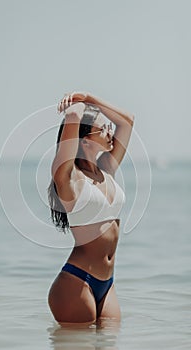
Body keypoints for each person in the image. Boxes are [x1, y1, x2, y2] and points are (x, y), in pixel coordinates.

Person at [47, 91, 134, 326]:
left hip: (107, 283)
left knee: (110, 341)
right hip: (76, 282)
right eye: (103, 128)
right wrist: (75, 107)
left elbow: (126, 122)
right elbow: (74, 115)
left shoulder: (107, 168)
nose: (110, 132)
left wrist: (91, 99)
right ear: (84, 141)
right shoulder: (68, 177)